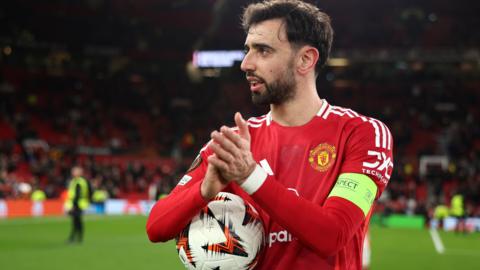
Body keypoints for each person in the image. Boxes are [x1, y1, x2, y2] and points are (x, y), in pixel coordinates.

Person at [146, 1, 394, 269]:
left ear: (305, 59)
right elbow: (156, 227)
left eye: (263, 51)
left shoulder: (362, 134)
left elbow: (332, 235)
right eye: (247, 50)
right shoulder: (234, 144)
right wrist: (204, 190)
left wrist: (250, 176)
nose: (245, 64)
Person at [65, 166, 90, 243]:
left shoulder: (78, 182)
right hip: (79, 204)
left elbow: (77, 195)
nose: (72, 173)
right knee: (77, 221)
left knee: (76, 221)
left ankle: (75, 237)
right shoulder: (78, 181)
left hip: (78, 204)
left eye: (74, 171)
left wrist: (73, 205)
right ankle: (77, 237)